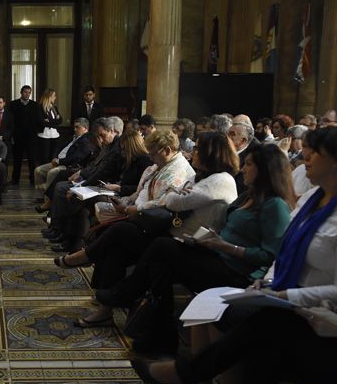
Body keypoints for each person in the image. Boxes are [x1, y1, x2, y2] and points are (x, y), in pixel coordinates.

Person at [132, 128, 337, 384]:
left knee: (256, 327)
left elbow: (271, 250)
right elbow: (284, 253)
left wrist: (280, 291)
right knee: (259, 347)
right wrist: (265, 282)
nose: (304, 157)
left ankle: (190, 371)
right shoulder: (311, 199)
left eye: (314, 152)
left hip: (317, 318)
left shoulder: (254, 196)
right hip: (283, 300)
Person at [87, 144, 295, 354]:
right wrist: (205, 241)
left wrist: (227, 247)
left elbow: (269, 256)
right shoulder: (248, 197)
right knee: (161, 264)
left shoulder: (274, 206)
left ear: (265, 170)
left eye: (249, 164)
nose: (243, 169)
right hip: (217, 254)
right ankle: (157, 334)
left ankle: (134, 308)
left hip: (237, 272)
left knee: (162, 248)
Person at [47, 128, 152, 253]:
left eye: (124, 149)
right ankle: (72, 241)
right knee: (80, 201)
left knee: (83, 201)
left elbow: (140, 187)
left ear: (131, 146)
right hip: (117, 191)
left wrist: (119, 187)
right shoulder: (131, 159)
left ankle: (73, 243)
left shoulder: (144, 162)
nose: (123, 152)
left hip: (128, 197)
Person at [34, 118, 92, 209]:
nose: (75, 129)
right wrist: (55, 157)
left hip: (67, 165)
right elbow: (59, 146)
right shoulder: (73, 137)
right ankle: (42, 196)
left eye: (78, 127)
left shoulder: (86, 140)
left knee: (52, 172)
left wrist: (59, 161)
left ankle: (49, 201)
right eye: (74, 127)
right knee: (38, 170)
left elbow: (76, 158)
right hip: (58, 161)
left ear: (85, 128)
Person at [9, 85, 40, 185]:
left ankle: (32, 179)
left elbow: (38, 120)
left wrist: (36, 132)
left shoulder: (35, 105)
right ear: (21, 92)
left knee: (32, 159)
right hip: (18, 136)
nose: (27, 94)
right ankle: (15, 179)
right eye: (25, 92)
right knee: (17, 159)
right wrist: (12, 135)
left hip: (31, 137)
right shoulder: (13, 104)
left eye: (29, 92)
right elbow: (10, 121)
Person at [227, 121, 259, 193]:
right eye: (227, 133)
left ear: (243, 140)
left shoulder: (249, 160)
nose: (227, 137)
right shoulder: (224, 154)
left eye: (232, 134)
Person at [35, 89, 62, 165]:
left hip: (55, 135)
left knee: (53, 157)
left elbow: (60, 120)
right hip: (44, 135)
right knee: (44, 158)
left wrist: (49, 121)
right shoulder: (39, 107)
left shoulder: (54, 107)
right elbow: (41, 122)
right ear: (49, 97)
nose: (55, 97)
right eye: (54, 96)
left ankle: (50, 176)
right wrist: (54, 121)